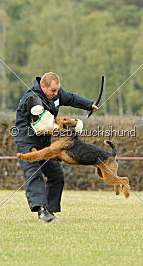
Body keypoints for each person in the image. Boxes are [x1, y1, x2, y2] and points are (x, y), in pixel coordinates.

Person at [14, 72, 98, 223]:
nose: (56, 93)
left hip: (44, 142)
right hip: (27, 141)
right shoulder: (32, 99)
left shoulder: (56, 93)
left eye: (57, 90)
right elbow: (42, 124)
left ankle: (50, 210)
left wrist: (89, 104)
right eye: (53, 91)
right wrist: (67, 125)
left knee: (56, 175)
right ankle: (41, 211)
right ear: (43, 86)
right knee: (34, 173)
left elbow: (71, 97)